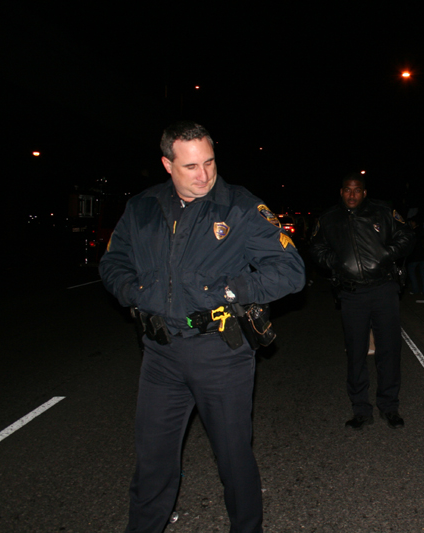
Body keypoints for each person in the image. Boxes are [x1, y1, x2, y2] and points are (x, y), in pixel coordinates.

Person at [100, 121, 305, 533]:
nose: (204, 175)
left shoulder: (240, 207)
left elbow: (291, 270)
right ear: (167, 165)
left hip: (220, 354)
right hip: (160, 354)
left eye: (209, 162)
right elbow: (112, 262)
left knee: (233, 458)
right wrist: (136, 292)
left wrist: (232, 289)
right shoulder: (142, 208)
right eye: (191, 166)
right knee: (153, 460)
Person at [309, 174, 414, 430]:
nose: (352, 195)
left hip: (383, 290)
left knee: (389, 351)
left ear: (365, 193)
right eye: (347, 190)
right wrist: (336, 262)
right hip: (352, 294)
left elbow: (407, 236)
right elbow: (316, 248)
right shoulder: (328, 218)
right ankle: (360, 409)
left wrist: (386, 254)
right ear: (341, 191)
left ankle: (389, 406)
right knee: (355, 352)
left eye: (357, 190)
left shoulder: (384, 212)